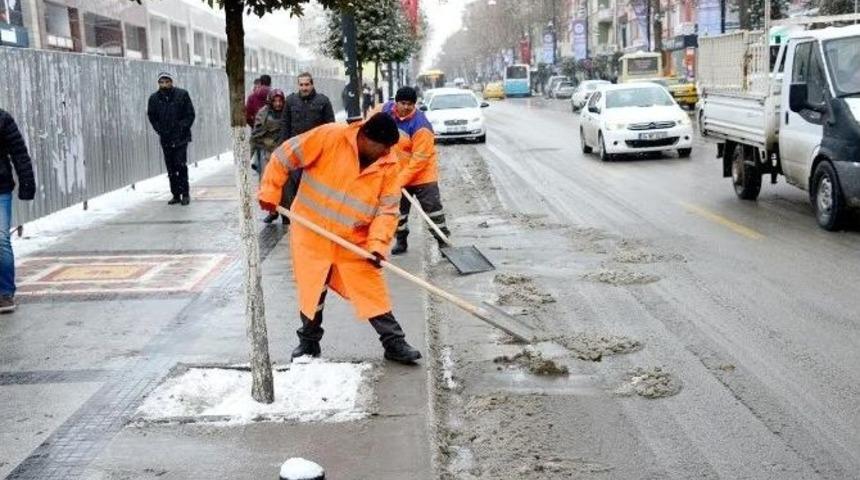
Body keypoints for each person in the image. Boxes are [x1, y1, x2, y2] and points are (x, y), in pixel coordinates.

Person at [258, 113, 422, 364]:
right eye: (383, 147)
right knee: (313, 289)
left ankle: (394, 343)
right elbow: (284, 155)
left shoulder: (388, 164)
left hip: (354, 240)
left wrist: (377, 246)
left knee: (371, 289)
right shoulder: (329, 137)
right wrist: (271, 190)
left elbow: (387, 210)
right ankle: (309, 343)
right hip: (312, 232)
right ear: (366, 137)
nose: (387, 152)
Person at [381, 86, 449, 255]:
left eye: (410, 104)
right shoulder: (386, 111)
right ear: (395, 102)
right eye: (403, 103)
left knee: (433, 209)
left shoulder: (421, 126)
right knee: (399, 212)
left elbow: (419, 160)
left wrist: (399, 180)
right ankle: (401, 239)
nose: (406, 107)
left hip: (423, 174)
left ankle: (443, 241)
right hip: (398, 172)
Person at [273, 72, 335, 224]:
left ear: (312, 84)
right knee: (295, 187)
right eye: (301, 84)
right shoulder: (291, 101)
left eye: (307, 84)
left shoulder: (323, 101)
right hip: (296, 154)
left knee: (316, 188)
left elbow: (331, 127)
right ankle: (299, 219)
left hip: (317, 154)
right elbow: (285, 126)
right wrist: (283, 150)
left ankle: (317, 218)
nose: (304, 87)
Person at [0, 109, 36, 313]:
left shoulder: (3, 119)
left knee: (1, 240)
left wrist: (27, 184)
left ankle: (5, 293)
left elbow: (19, 153)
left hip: (1, 188)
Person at [147, 72, 196, 206]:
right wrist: (160, 130)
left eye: (166, 81)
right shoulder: (154, 99)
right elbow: (152, 117)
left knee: (180, 164)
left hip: (181, 137)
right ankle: (175, 194)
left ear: (171, 82)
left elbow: (190, 114)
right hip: (166, 137)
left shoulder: (182, 95)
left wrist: (182, 128)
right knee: (170, 167)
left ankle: (185, 193)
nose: (164, 84)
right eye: (161, 82)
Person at [250, 88, 287, 180]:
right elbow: (256, 135)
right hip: (267, 151)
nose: (278, 104)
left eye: (280, 101)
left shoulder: (287, 112)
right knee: (266, 178)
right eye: (275, 101)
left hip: (284, 150)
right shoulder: (263, 114)